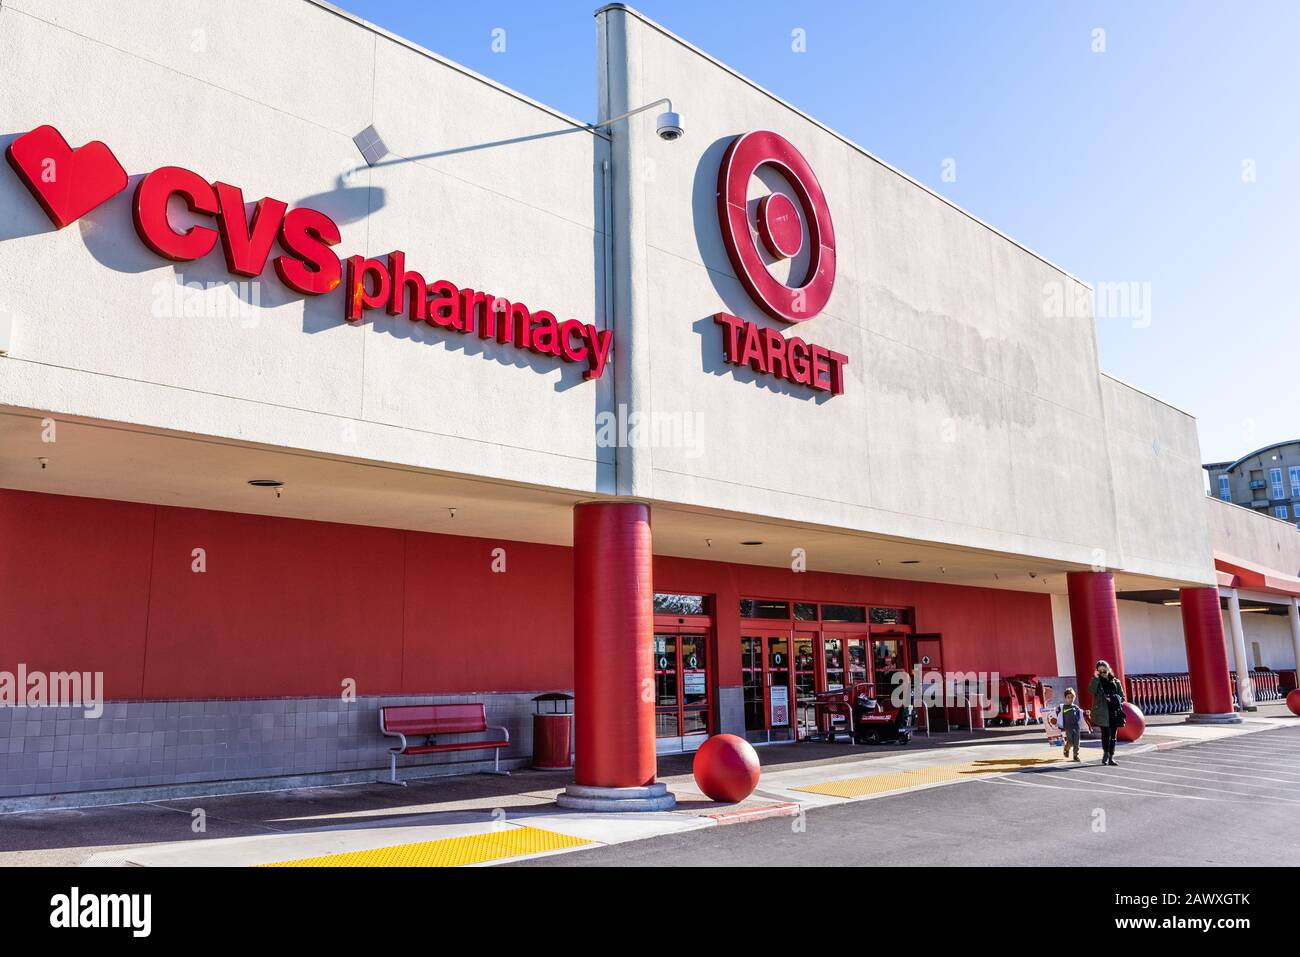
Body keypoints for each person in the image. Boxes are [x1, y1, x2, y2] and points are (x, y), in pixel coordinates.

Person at [1088, 660, 1125, 766]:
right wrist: (1095, 678)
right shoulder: (1097, 681)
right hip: (1102, 712)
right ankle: (1105, 753)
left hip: (1114, 711)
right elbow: (1091, 691)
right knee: (1105, 734)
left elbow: (1122, 697)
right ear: (1097, 671)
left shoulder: (1115, 681)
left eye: (1104, 670)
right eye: (1100, 671)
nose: (1103, 672)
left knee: (1113, 735)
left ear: (1108, 669)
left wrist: (1113, 699)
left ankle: (1111, 757)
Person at [1054, 688, 1089, 761]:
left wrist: (1086, 713)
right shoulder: (1062, 707)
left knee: (1077, 743)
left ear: (1074, 698)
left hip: (1076, 727)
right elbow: (1056, 713)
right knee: (1070, 742)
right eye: (1068, 697)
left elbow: (1081, 713)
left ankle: (1075, 755)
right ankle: (1066, 749)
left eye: (1072, 697)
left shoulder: (1075, 707)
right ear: (1065, 698)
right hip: (1068, 728)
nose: (1070, 699)